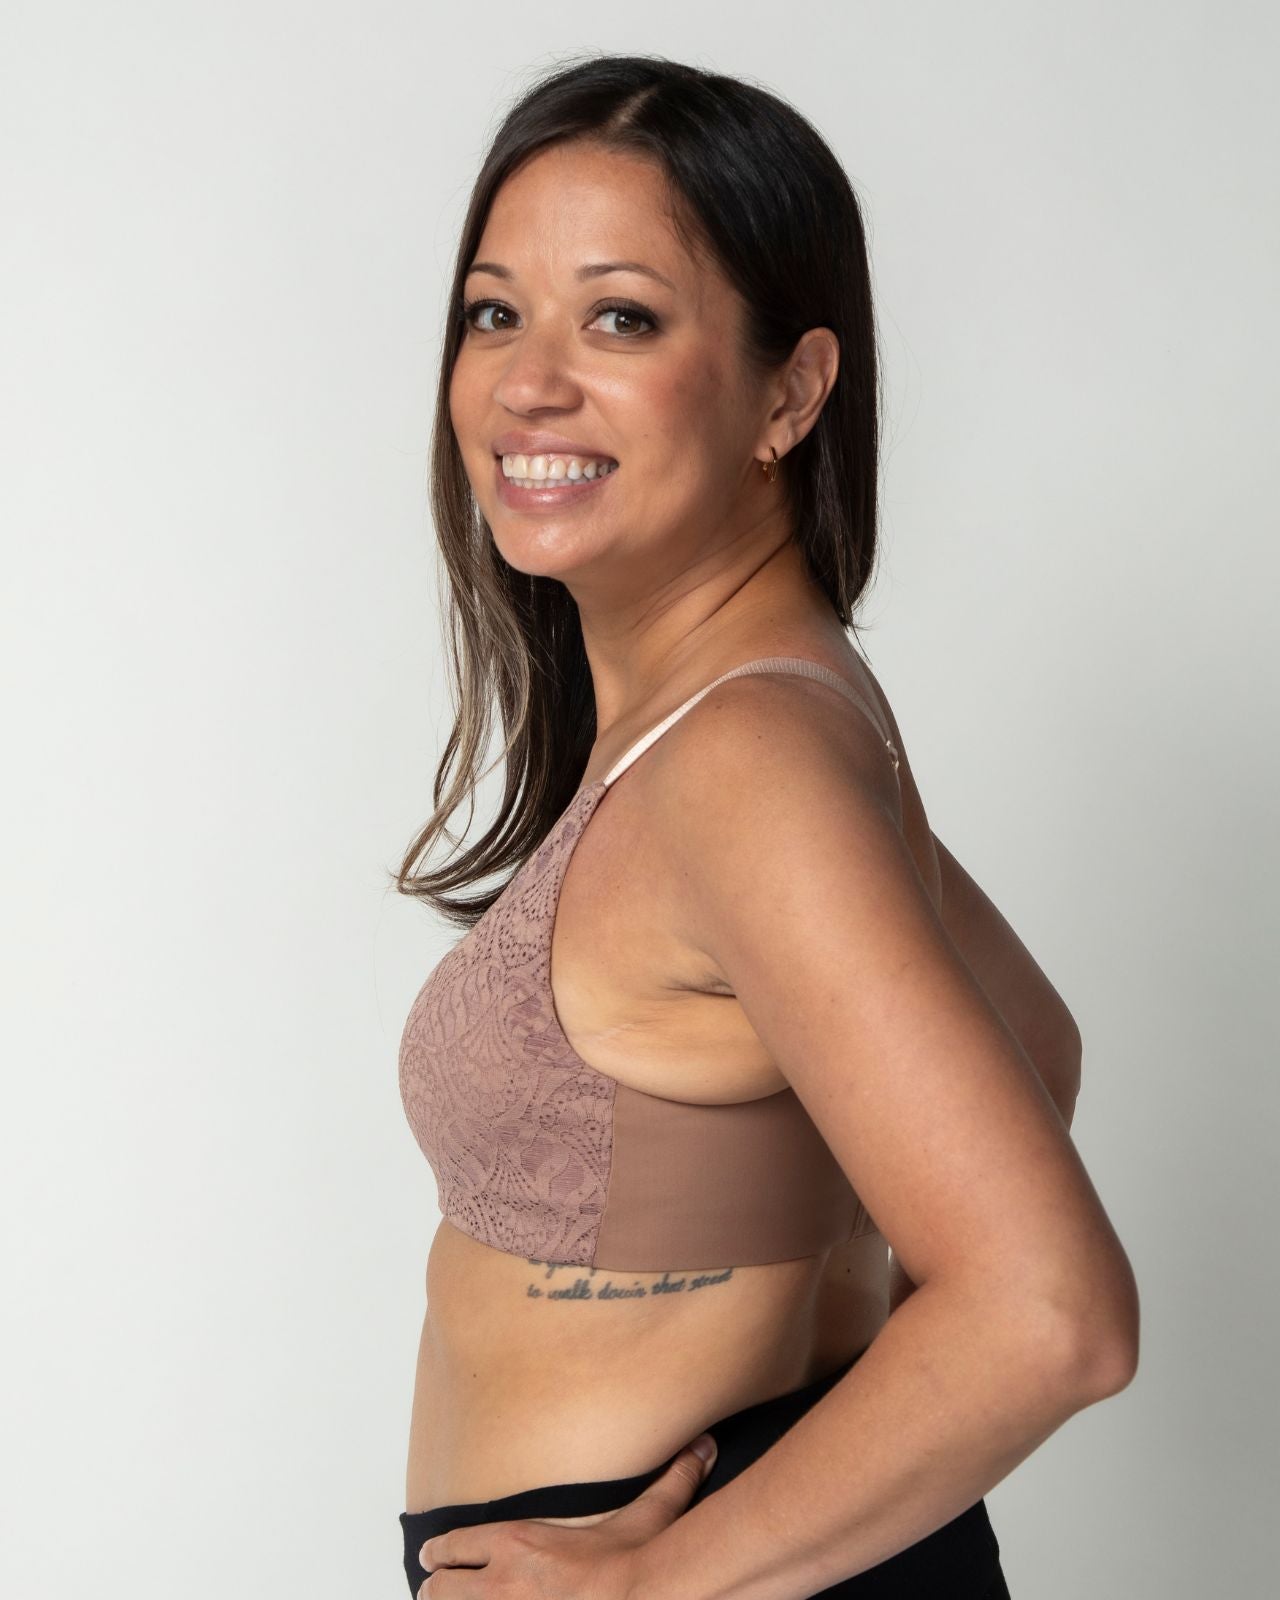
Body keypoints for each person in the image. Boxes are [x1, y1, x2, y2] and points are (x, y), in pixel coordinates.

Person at [392, 52, 1139, 1600]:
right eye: (493, 312)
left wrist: (654, 1584)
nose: (528, 381)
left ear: (790, 393)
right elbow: (1032, 1047)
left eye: (622, 318)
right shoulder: (757, 715)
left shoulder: (744, 761)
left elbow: (1049, 1312)